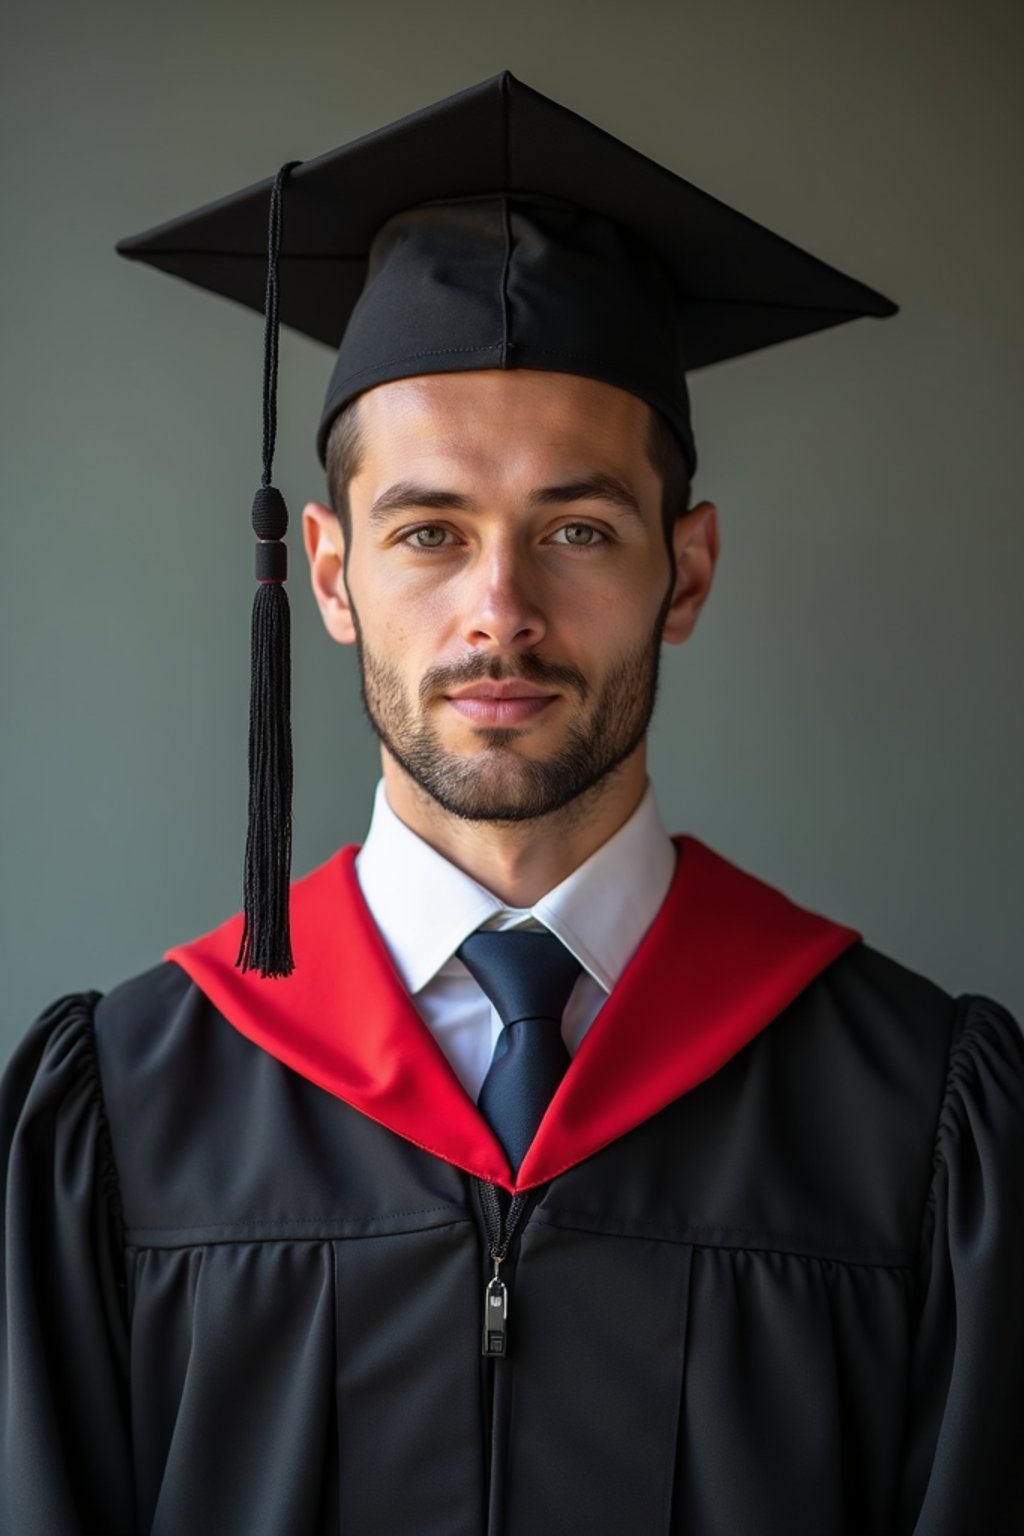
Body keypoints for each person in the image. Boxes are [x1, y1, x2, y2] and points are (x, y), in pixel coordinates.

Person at [1, 70, 1022, 1536]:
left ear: (688, 570)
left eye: (579, 529)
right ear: (334, 575)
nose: (502, 611)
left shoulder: (919, 1121)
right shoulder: (125, 1113)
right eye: (430, 531)